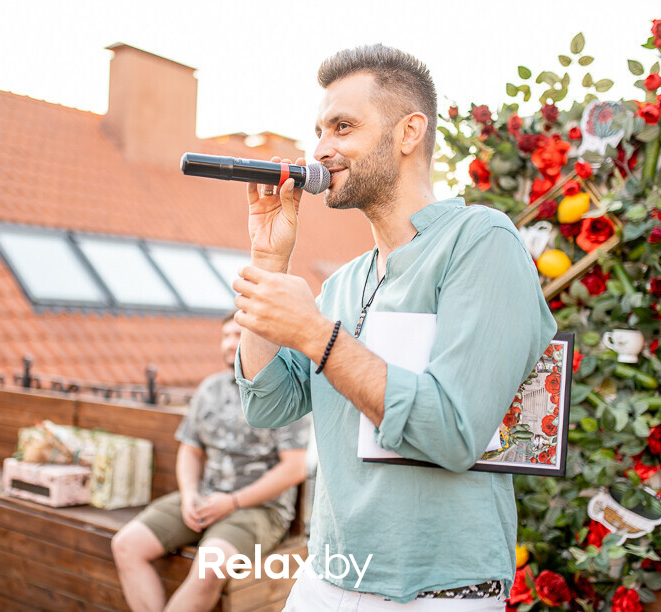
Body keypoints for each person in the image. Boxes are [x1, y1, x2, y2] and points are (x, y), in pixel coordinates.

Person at [232, 44, 558, 610]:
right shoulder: (342, 282)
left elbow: (454, 433)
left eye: (343, 126)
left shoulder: (481, 241)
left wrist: (316, 335)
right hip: (327, 576)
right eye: (319, 131)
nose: (321, 149)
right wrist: (268, 263)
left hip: (439, 592)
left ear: (409, 132)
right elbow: (267, 404)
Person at [111, 313, 309, 612]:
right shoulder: (209, 389)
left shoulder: (282, 394)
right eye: (226, 336)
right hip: (204, 497)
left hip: (260, 510)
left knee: (209, 566)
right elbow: (190, 451)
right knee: (126, 544)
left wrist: (231, 502)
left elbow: (294, 468)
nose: (230, 344)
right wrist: (189, 494)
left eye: (238, 335)